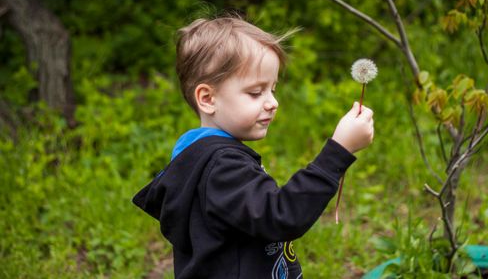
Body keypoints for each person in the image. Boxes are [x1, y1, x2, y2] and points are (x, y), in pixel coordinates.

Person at [132, 15, 374, 279]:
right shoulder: (222, 168)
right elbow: (283, 215)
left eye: (273, 89)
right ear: (207, 98)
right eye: (256, 92)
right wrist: (338, 151)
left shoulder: (197, 156)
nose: (273, 102)